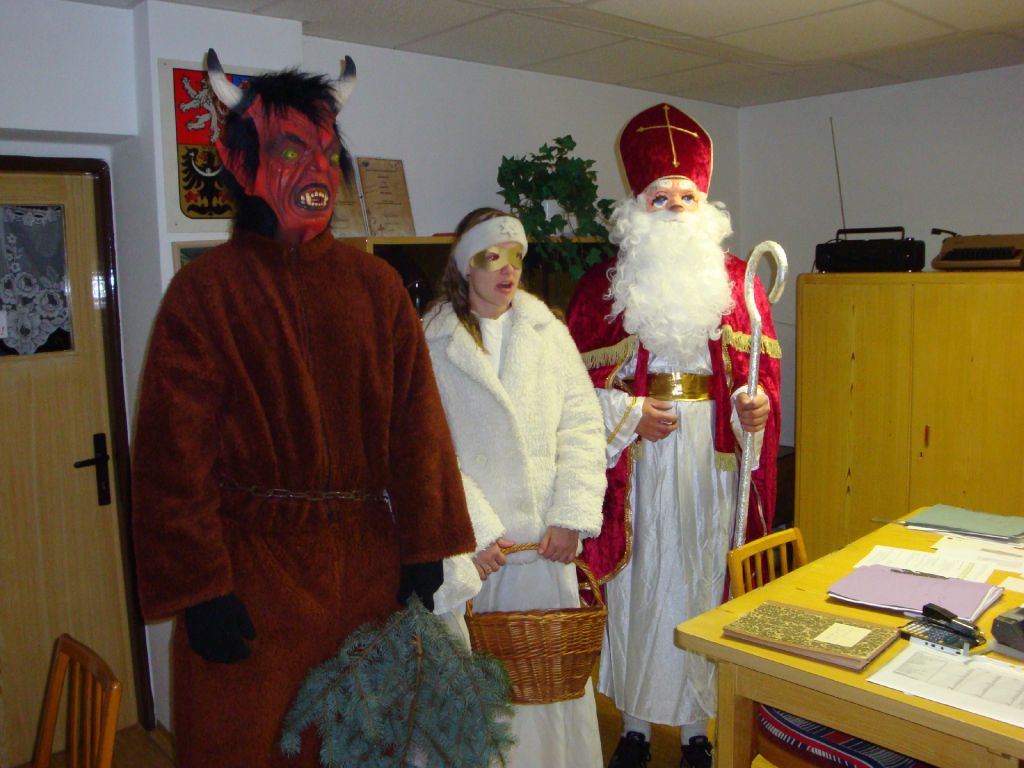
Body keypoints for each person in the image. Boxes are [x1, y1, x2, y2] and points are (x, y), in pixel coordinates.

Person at [130, 51, 475, 767]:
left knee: (363, 745)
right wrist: (201, 589)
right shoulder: (204, 293)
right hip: (252, 582)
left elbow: (418, 428)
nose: (315, 168)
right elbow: (172, 461)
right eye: (291, 150)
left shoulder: (377, 288)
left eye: (324, 151)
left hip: (365, 576)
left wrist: (425, 548)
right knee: (248, 745)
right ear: (246, 163)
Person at [565, 103, 781, 768]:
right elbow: (570, 392)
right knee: (640, 588)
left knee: (701, 581)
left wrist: (752, 409)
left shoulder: (739, 281)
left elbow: (758, 377)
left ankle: (697, 733)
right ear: (638, 207)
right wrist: (628, 414)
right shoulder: (602, 288)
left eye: (687, 197)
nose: (676, 209)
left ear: (705, 204)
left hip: (710, 461)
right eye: (661, 198)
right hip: (639, 461)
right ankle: (633, 725)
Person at [423, 208, 607, 768]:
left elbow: (582, 426)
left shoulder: (549, 334)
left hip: (546, 546)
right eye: (492, 257)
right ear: (465, 266)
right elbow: (426, 448)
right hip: (479, 557)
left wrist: (570, 516)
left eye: (516, 257)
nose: (508, 270)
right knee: (483, 694)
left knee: (550, 685)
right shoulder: (430, 342)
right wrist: (474, 532)